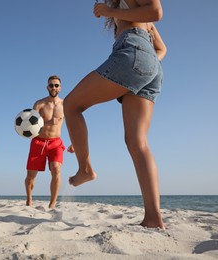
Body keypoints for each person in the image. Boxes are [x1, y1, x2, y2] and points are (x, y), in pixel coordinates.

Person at [63, 0, 167, 228]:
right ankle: (153, 218)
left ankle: (85, 169)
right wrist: (147, 61)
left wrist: (109, 11)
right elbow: (162, 49)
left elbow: (156, 11)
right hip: (150, 64)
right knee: (137, 143)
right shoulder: (134, 12)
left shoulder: (122, 7)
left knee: (71, 105)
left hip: (133, 53)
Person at [25, 75, 74, 209]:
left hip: (55, 143)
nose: (54, 88)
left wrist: (74, 142)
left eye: (56, 85)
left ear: (60, 87)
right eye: (51, 85)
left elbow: (73, 124)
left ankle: (52, 203)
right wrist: (47, 122)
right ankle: (29, 200)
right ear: (47, 87)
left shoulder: (65, 104)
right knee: (30, 176)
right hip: (38, 142)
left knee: (56, 169)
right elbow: (31, 123)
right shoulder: (39, 104)